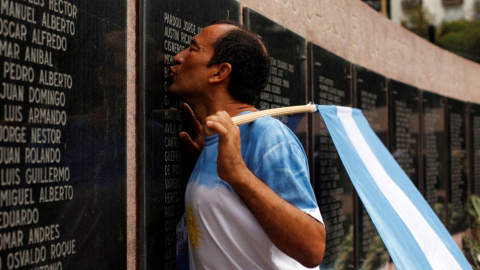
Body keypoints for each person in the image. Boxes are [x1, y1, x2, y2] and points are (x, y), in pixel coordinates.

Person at [169, 20, 326, 269]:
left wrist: (238, 175)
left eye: (192, 49)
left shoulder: (269, 135)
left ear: (220, 72)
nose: (178, 57)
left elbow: (313, 249)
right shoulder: (214, 142)